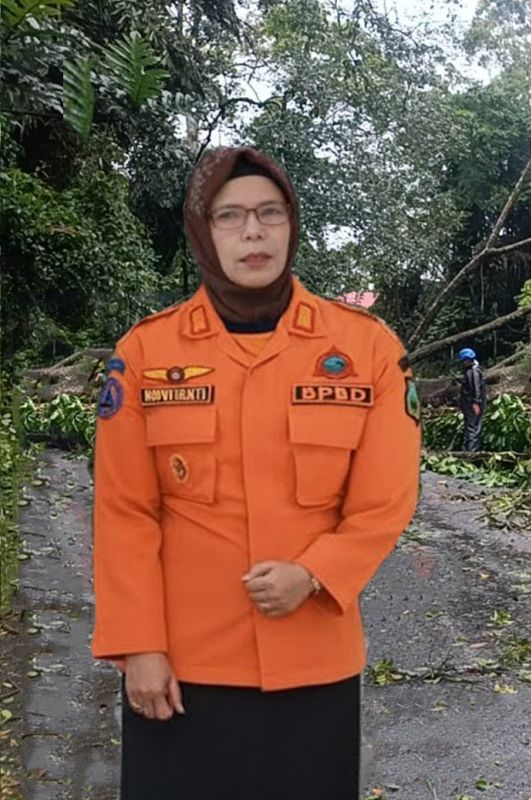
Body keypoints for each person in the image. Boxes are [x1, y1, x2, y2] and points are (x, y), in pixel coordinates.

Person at [91, 146, 421, 800]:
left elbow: (386, 498)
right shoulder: (146, 352)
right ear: (202, 232)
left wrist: (316, 571)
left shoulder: (367, 350)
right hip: (182, 665)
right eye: (230, 216)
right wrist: (139, 647)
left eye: (270, 214)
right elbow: (124, 510)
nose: (253, 232)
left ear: (292, 226)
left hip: (312, 664)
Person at [458, 347, 486, 451]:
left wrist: (476, 402)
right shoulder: (470, 371)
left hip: (472, 405)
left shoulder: (473, 372)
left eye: (464, 361)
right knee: (470, 427)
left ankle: (471, 452)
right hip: (468, 405)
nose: (463, 363)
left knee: (473, 428)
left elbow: (476, 388)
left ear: (467, 359)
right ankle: (466, 450)